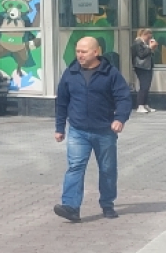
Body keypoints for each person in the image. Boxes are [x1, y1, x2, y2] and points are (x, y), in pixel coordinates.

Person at [53, 36, 132, 222]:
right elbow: (62, 102)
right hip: (78, 130)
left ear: (96, 52)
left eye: (84, 51)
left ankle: (107, 204)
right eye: (78, 51)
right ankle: (71, 207)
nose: (79, 55)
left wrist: (120, 118)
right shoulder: (70, 73)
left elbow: (124, 98)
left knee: (107, 169)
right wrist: (59, 127)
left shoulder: (110, 73)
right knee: (75, 167)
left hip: (104, 130)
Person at [132, 28, 158, 114]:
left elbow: (149, 54)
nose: (149, 38)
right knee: (144, 86)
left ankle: (145, 104)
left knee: (147, 86)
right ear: (145, 35)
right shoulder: (138, 43)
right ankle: (140, 105)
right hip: (141, 67)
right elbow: (141, 55)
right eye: (148, 36)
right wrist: (150, 48)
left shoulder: (144, 43)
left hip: (147, 66)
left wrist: (151, 48)